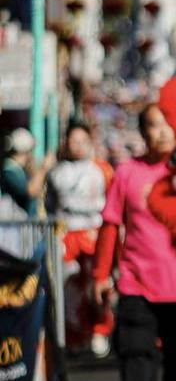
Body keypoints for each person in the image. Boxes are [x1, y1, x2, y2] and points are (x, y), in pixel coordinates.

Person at [92, 104, 176, 381]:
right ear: (143, 132)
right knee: (137, 366)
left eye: (169, 125)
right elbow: (111, 224)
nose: (163, 132)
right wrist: (101, 275)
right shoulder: (127, 172)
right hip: (136, 284)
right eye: (155, 125)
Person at [46, 122, 114, 356]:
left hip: (94, 232)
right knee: (69, 287)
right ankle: (73, 336)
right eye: (73, 141)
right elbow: (50, 205)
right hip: (67, 233)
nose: (77, 146)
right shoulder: (56, 171)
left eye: (82, 141)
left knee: (96, 284)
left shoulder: (102, 169)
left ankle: (99, 330)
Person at [1, 128, 54, 216]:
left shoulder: (21, 170)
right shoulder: (9, 171)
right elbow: (31, 191)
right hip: (17, 226)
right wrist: (44, 168)